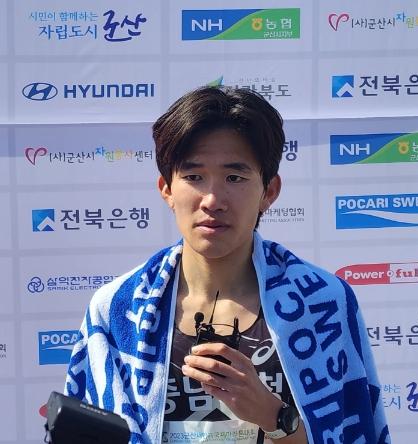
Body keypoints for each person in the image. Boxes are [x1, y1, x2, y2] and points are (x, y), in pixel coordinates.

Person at [64, 86, 390, 444]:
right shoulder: (118, 308)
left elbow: (351, 433)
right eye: (194, 177)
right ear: (166, 189)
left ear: (269, 191)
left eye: (234, 177)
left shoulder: (321, 303)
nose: (213, 199)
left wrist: (273, 416)